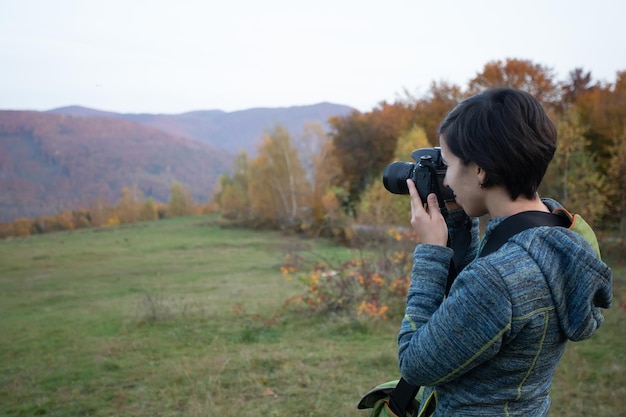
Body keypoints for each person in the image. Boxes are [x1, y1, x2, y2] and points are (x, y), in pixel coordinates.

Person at [397, 87, 613, 416]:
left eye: (449, 164)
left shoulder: (497, 280)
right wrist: (457, 220)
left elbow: (414, 364)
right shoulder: (554, 239)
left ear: (481, 170)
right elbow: (471, 312)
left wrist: (431, 251)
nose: (447, 179)